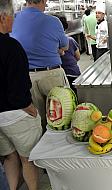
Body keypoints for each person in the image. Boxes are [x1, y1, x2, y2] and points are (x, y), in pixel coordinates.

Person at [0, 1, 53, 190]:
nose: (14, 20)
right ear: (3, 18)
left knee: (9, 156)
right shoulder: (11, 46)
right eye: (12, 15)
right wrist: (27, 105)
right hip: (15, 114)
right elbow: (18, 86)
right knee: (28, 158)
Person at [11, 0, 69, 131]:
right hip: (52, 74)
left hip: (27, 77)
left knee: (39, 120)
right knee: (63, 116)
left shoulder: (13, 19)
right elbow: (65, 46)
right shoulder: (53, 21)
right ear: (43, 1)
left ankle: (44, 147)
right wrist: (55, 49)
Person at [55, 14, 81, 95]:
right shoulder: (70, 40)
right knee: (76, 96)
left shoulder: (51, 43)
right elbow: (78, 57)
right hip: (73, 72)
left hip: (59, 76)